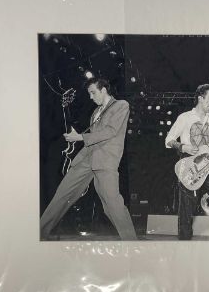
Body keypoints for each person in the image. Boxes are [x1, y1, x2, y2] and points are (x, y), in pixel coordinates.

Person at [40, 78, 137, 240]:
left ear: (104, 90)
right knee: (61, 196)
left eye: (93, 92)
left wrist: (79, 137)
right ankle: (39, 233)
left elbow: (110, 132)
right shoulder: (95, 112)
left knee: (112, 206)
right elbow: (93, 136)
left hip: (105, 161)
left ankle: (132, 242)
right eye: (89, 94)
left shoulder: (121, 106)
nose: (91, 97)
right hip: (85, 160)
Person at [165, 84, 209, 240]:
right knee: (186, 207)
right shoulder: (184, 118)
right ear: (200, 98)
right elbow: (168, 140)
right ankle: (184, 242)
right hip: (189, 167)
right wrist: (182, 146)